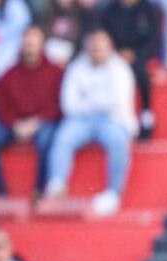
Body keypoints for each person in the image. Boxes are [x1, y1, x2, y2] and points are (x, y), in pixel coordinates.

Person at [44, 30, 136, 217]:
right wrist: (96, 103)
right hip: (82, 120)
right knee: (63, 137)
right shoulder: (77, 67)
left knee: (118, 140)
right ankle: (57, 184)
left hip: (113, 119)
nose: (97, 53)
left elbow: (116, 101)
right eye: (93, 49)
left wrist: (88, 101)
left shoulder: (120, 69)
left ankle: (113, 193)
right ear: (87, 49)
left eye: (100, 49)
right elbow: (68, 104)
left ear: (109, 49)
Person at [0, 26, 63, 196]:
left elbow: (58, 105)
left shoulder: (56, 72)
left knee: (45, 141)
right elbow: (1, 105)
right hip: (14, 123)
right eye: (26, 45)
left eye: (33, 45)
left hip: (43, 121)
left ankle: (39, 191)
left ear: (42, 46)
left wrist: (36, 122)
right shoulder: (9, 74)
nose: (29, 49)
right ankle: (1, 193)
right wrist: (15, 124)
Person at [101, 0, 160, 138]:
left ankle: (146, 113)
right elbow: (104, 36)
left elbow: (153, 39)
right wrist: (115, 53)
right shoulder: (109, 10)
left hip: (139, 56)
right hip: (113, 57)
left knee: (140, 71)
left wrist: (136, 55)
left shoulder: (149, 9)